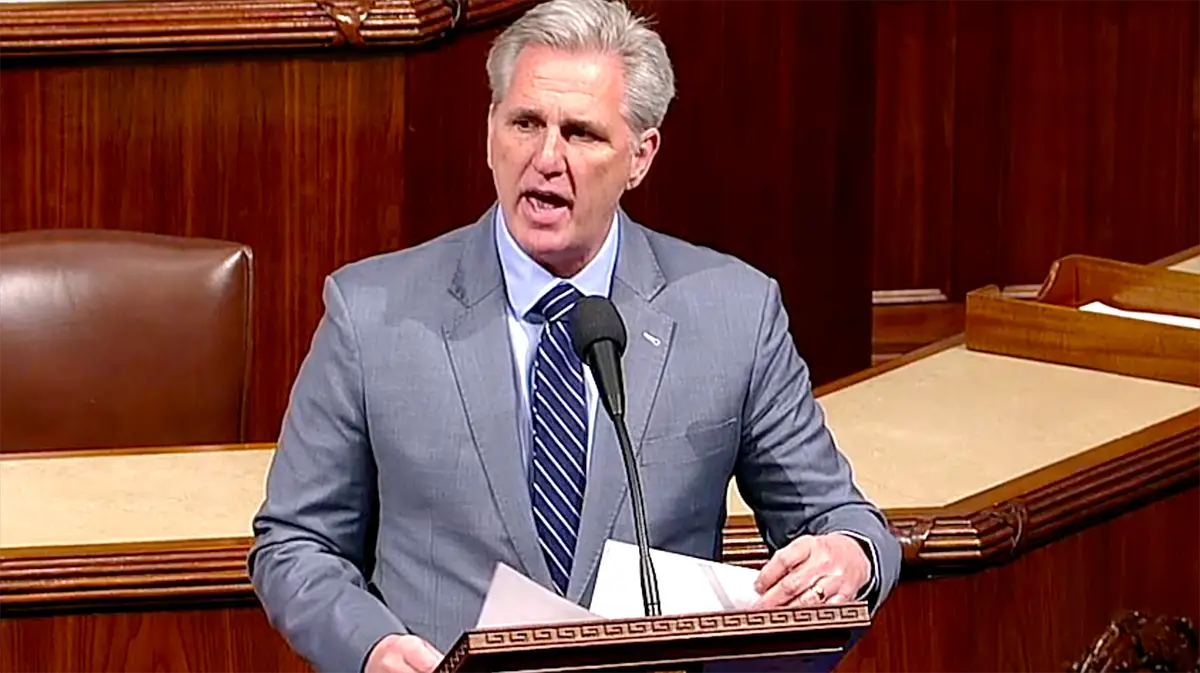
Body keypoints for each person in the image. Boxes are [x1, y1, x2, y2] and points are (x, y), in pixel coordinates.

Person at [248, 1, 901, 672]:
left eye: (582, 133)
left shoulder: (734, 314)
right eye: (525, 123)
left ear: (640, 156)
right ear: (489, 133)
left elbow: (841, 521)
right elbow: (294, 541)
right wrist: (373, 648)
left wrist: (849, 554)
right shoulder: (371, 314)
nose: (546, 158)